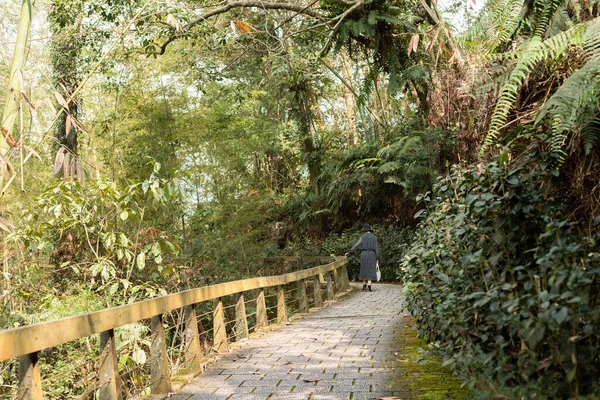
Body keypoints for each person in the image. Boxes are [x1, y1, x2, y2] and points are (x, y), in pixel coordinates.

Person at [345, 223, 379, 292]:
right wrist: (377, 258)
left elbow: (356, 245)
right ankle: (369, 286)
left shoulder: (362, 237)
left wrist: (350, 252)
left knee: (364, 269)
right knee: (371, 269)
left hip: (364, 254)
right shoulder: (374, 237)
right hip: (372, 254)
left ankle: (364, 286)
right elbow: (376, 248)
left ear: (364, 230)